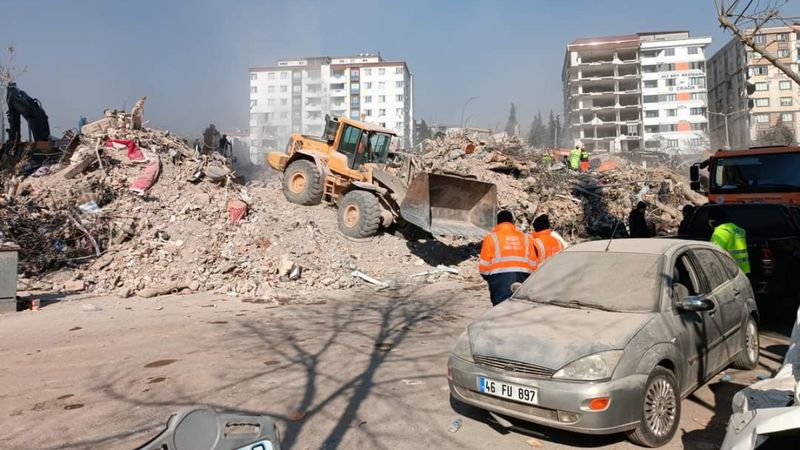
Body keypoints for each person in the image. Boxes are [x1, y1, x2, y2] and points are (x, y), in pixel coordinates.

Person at [479, 210, 539, 306]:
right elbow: (533, 264)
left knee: (500, 311)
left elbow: (484, 268)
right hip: (522, 278)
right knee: (519, 310)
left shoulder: (491, 238)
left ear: (497, 223)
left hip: (499, 280)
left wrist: (491, 279)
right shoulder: (526, 238)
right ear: (512, 222)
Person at [709, 208, 750, 273]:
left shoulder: (721, 231)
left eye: (710, 220)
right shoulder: (739, 229)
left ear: (714, 220)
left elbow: (715, 253)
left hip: (730, 270)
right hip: (743, 268)